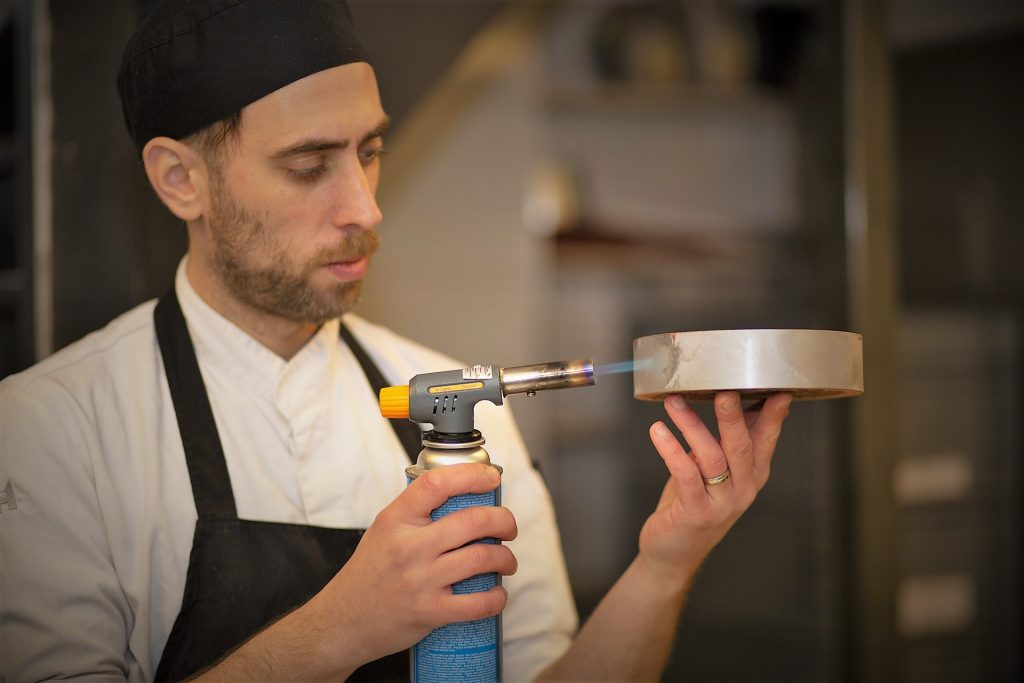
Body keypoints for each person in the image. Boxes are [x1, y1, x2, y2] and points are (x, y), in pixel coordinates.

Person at [0, 1, 793, 681]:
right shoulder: (51, 431)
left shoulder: (451, 400)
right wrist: (343, 626)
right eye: (311, 165)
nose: (366, 209)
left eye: (370, 152)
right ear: (181, 180)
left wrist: (668, 561)